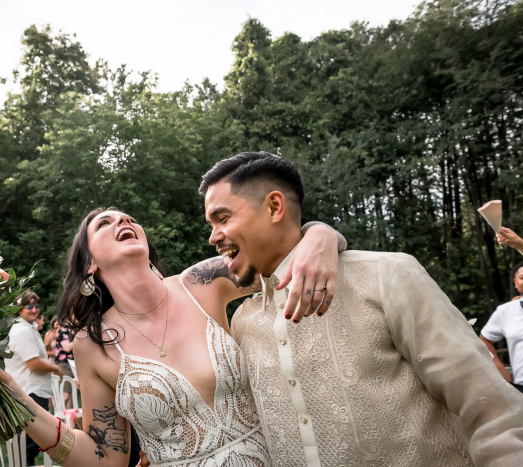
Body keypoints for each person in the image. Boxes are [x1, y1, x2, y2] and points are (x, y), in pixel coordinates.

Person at [200, 151, 523, 466]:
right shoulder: (243, 322)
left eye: (223, 218)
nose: (214, 237)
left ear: (274, 207)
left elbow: (493, 413)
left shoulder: (386, 275)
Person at [0, 205, 346, 466]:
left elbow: (282, 252)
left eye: (128, 217)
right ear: (89, 265)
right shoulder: (92, 344)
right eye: (105, 223)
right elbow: (106, 459)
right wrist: (17, 400)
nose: (124, 220)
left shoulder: (202, 283)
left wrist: (322, 235)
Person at [4, 290, 63, 466]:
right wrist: (56, 369)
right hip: (30, 393)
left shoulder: (28, 327)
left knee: (31, 444)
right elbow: (34, 364)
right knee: (29, 445)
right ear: (18, 309)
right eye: (29, 306)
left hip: (32, 392)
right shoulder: (21, 330)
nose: (34, 309)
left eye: (36, 305)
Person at [480, 261, 523, 393]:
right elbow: (484, 341)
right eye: (522, 277)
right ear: (515, 282)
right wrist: (500, 369)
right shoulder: (506, 311)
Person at [45, 317, 76, 409]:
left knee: (71, 398)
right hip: (64, 364)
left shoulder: (74, 329)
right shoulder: (62, 330)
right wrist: (80, 339)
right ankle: (55, 420)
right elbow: (66, 348)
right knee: (64, 396)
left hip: (74, 364)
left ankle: (69, 422)